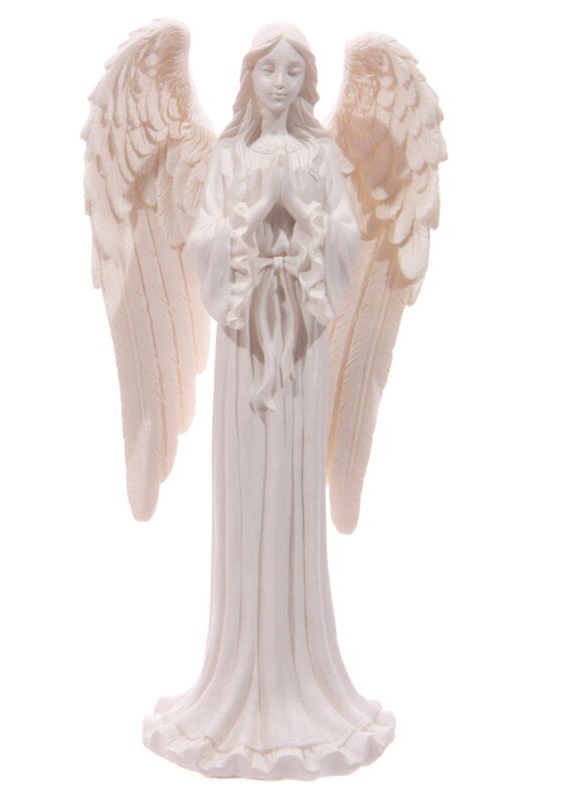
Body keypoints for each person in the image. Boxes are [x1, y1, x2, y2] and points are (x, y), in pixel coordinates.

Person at [143, 22, 395, 780]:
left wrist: (306, 216)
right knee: (247, 492)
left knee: (291, 494)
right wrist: (258, 214)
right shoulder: (228, 154)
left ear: (307, 83)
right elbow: (201, 245)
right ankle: (238, 679)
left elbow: (352, 242)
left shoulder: (323, 155)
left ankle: (299, 677)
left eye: (293, 71)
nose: (280, 83)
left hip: (303, 345)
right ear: (249, 78)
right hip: (246, 339)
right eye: (268, 70)